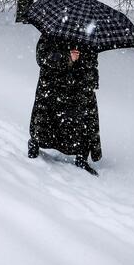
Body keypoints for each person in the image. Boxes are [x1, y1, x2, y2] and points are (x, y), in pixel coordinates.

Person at [28, 35, 102, 175]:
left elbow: (92, 63)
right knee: (46, 117)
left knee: (83, 120)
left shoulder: (88, 36)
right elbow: (42, 57)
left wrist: (86, 70)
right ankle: (35, 144)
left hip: (78, 88)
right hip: (53, 85)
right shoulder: (52, 32)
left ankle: (81, 156)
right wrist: (67, 57)